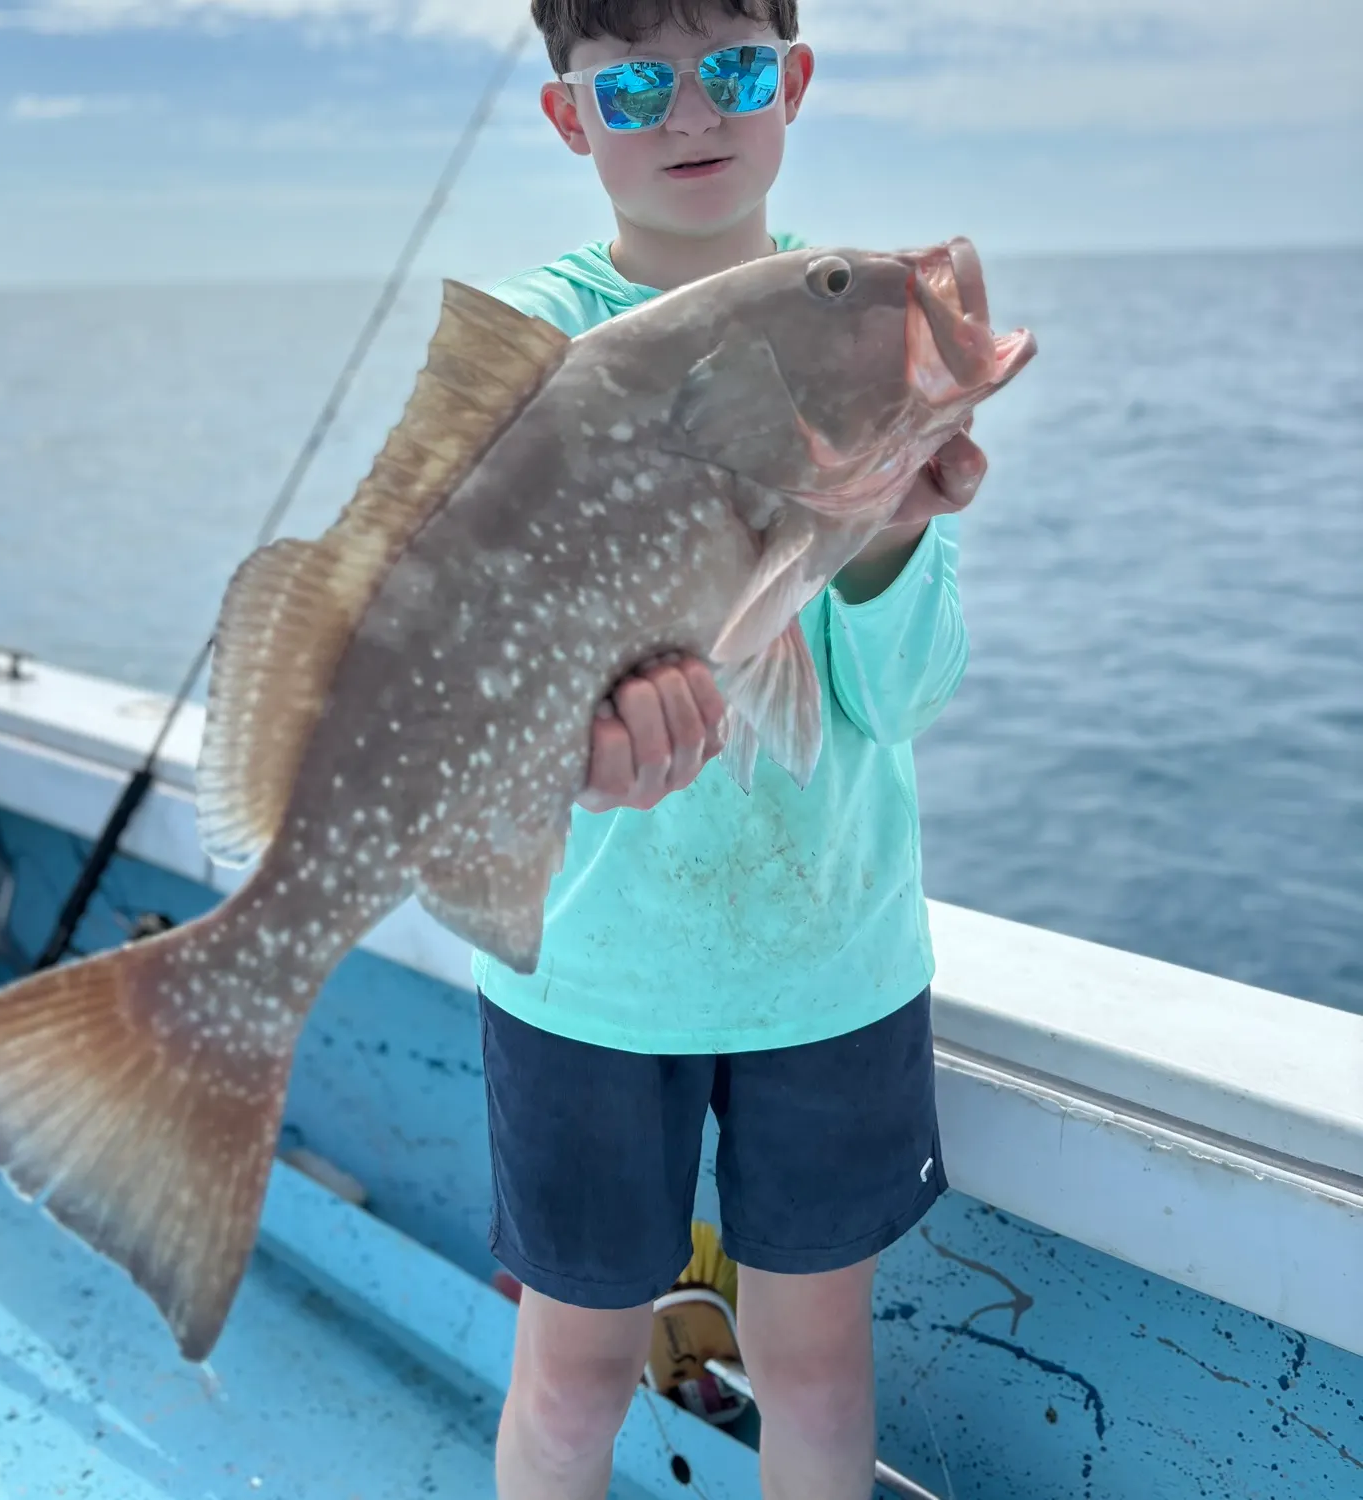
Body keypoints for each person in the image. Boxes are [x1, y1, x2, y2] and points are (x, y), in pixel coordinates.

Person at [473, 3, 990, 1495]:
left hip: (827, 958)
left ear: (793, 85)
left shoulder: (855, 321)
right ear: (572, 118)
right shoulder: (529, 341)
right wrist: (573, 751)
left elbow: (906, 697)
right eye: (634, 81)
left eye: (733, 70)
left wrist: (891, 542)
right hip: (587, 970)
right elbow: (464, 657)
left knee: (816, 1367)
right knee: (571, 1374)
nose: (690, 111)